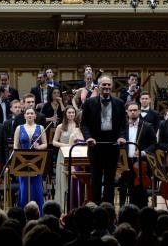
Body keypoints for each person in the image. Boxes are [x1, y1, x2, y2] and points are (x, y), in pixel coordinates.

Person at [79, 76, 126, 205]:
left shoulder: (119, 103)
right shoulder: (89, 103)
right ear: (98, 87)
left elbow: (123, 124)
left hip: (113, 145)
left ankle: (108, 209)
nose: (106, 87)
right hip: (95, 145)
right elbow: (84, 124)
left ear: (112, 86)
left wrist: (122, 136)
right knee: (96, 179)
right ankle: (96, 209)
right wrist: (88, 137)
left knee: (110, 180)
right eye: (104, 84)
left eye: (109, 85)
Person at [118, 101, 156, 209]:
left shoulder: (147, 126)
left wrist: (143, 152)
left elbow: (154, 144)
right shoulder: (122, 126)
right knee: (124, 188)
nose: (133, 112)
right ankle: (123, 211)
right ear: (127, 112)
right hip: (125, 162)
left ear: (139, 111)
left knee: (140, 191)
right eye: (130, 110)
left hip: (140, 163)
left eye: (135, 110)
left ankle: (141, 212)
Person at [14, 108, 47, 208]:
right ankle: (24, 212)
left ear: (35, 116)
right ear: (24, 116)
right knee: (24, 187)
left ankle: (38, 212)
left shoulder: (41, 128)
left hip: (36, 160)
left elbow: (45, 144)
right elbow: (15, 145)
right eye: (27, 113)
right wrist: (19, 156)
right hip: (22, 161)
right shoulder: (19, 128)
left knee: (37, 187)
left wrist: (38, 147)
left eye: (32, 113)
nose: (30, 115)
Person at [52, 105, 84, 207]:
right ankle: (63, 205)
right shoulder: (60, 126)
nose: (71, 114)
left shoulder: (78, 126)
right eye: (69, 112)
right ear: (65, 114)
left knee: (74, 179)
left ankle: (74, 201)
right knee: (63, 180)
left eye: (73, 112)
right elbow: (54, 142)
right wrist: (67, 146)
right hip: (63, 154)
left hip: (76, 154)